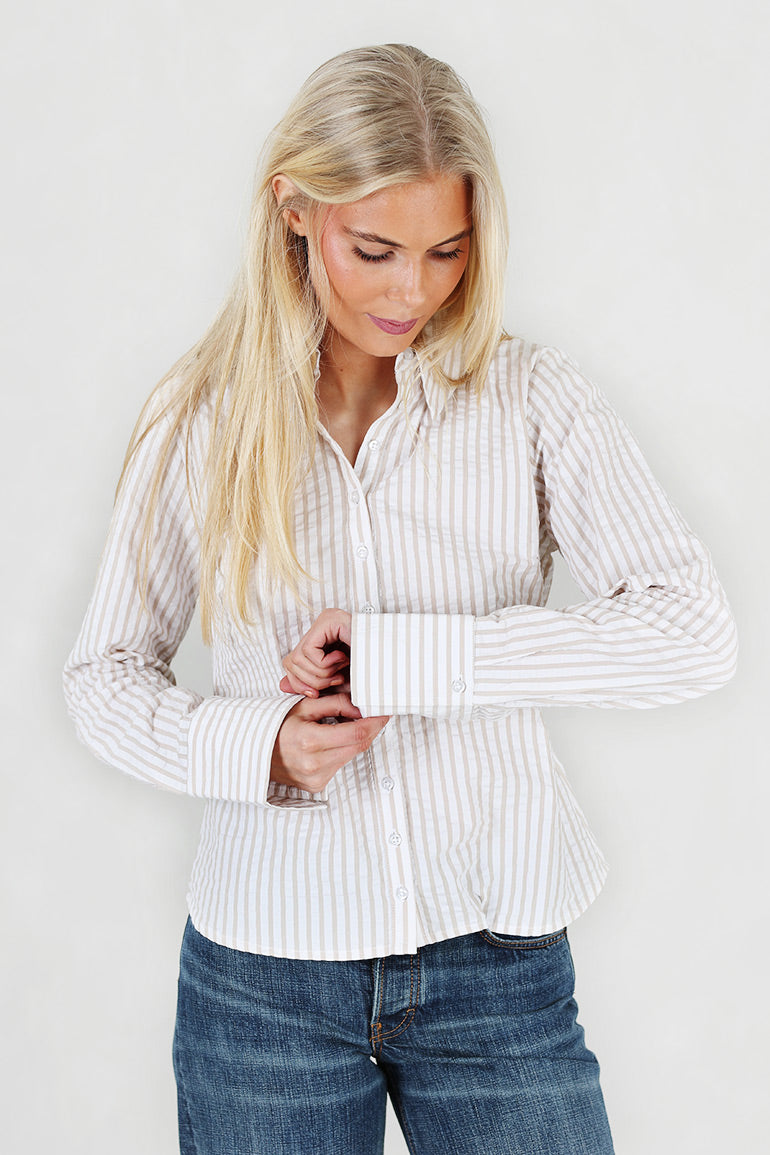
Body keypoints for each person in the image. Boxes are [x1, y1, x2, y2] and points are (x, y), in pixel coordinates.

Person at [63, 43, 737, 1155]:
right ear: (294, 211)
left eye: (445, 251)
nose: (411, 291)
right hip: (262, 988)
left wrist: (414, 659)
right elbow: (103, 678)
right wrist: (262, 746)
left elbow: (692, 632)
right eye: (373, 250)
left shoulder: (530, 398)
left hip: (498, 972)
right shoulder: (199, 418)